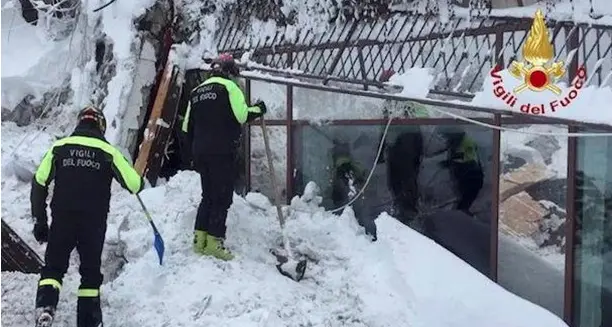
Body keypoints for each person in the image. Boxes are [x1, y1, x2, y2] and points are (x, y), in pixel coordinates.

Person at [31, 106, 144, 327]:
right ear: (100, 125)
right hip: (93, 222)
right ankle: (88, 321)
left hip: (63, 217)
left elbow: (39, 182)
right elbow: (134, 184)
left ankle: (45, 309)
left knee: (53, 268)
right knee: (90, 273)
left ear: (78, 123)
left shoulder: (59, 147)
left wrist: (40, 219)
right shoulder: (108, 152)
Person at [181, 53, 267, 260]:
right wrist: (259, 108)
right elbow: (242, 115)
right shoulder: (229, 88)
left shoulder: (196, 92)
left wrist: (192, 153)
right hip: (221, 152)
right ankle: (214, 242)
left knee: (207, 195)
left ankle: (199, 240)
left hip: (200, 152)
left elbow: (186, 127)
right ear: (230, 72)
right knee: (222, 197)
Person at [438, 127, 484, 215]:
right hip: (466, 174)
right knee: (463, 199)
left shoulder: (466, 142)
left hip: (471, 174)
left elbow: (465, 157)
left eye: (446, 136)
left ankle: (463, 215)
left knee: (465, 200)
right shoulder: (457, 141)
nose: (446, 139)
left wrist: (448, 163)